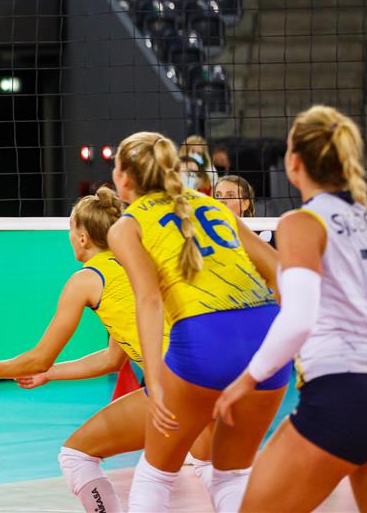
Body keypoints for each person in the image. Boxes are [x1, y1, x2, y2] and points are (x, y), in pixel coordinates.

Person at [0, 187, 218, 513]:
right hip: (211, 372)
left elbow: (40, 356)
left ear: (82, 237)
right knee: (213, 469)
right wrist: (49, 374)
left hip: (176, 382)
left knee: (76, 455)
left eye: (70, 229)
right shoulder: (139, 264)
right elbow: (112, 359)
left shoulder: (87, 279)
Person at [106, 132, 284, 513]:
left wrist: (154, 379)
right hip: (266, 334)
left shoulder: (125, 226)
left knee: (155, 476)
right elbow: (280, 271)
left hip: (204, 340)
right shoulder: (212, 206)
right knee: (231, 476)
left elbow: (149, 300)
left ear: (124, 177)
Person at [213, 106, 367, 513]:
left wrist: (245, 381)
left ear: (295, 162)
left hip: (339, 394)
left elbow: (298, 319)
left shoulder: (301, 222)